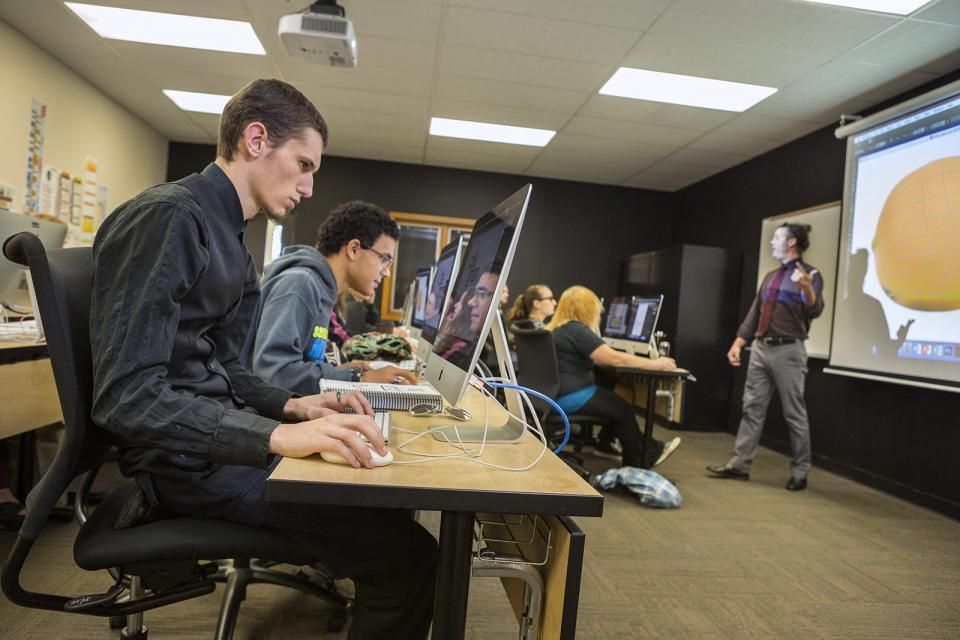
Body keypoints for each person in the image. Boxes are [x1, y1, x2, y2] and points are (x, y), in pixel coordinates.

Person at [89, 79, 436, 639]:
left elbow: (230, 372)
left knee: (385, 506)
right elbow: (127, 397)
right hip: (188, 467)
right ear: (255, 140)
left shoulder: (228, 237)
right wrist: (273, 437)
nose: (307, 186)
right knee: (410, 557)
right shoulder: (170, 218)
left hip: (211, 452)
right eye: (302, 164)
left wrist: (297, 406)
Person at [248, 199, 417, 395]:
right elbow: (274, 374)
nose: (386, 273)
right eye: (384, 259)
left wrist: (339, 371)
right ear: (354, 249)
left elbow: (300, 364)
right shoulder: (301, 284)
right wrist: (356, 378)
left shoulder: (322, 289)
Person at [708, 222, 823, 491]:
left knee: (794, 413)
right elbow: (755, 313)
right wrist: (738, 343)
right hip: (760, 348)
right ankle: (739, 465)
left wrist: (806, 287)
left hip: (789, 351)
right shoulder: (771, 276)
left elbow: (813, 309)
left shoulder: (811, 275)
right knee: (751, 408)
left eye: (777, 238)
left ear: (792, 242)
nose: (772, 242)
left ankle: (800, 472)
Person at [546, 286, 681, 468]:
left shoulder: (559, 328)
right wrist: (655, 364)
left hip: (556, 394)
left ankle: (608, 443)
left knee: (618, 396)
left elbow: (601, 360)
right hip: (569, 396)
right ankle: (641, 460)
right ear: (587, 309)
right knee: (623, 410)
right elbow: (613, 359)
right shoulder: (576, 330)